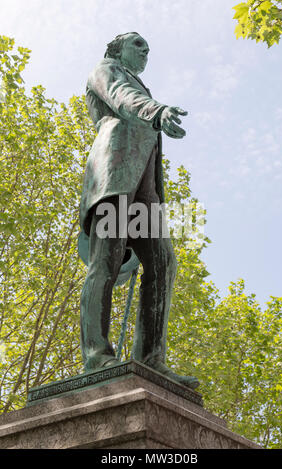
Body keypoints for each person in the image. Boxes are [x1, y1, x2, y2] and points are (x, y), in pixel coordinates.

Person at [79, 32, 199, 389]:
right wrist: (155, 110)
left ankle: (151, 358)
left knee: (163, 262)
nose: (147, 50)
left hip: (145, 191)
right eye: (138, 44)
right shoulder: (107, 68)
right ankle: (97, 355)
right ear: (118, 49)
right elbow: (121, 97)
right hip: (114, 175)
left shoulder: (140, 86)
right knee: (107, 259)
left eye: (148, 47)